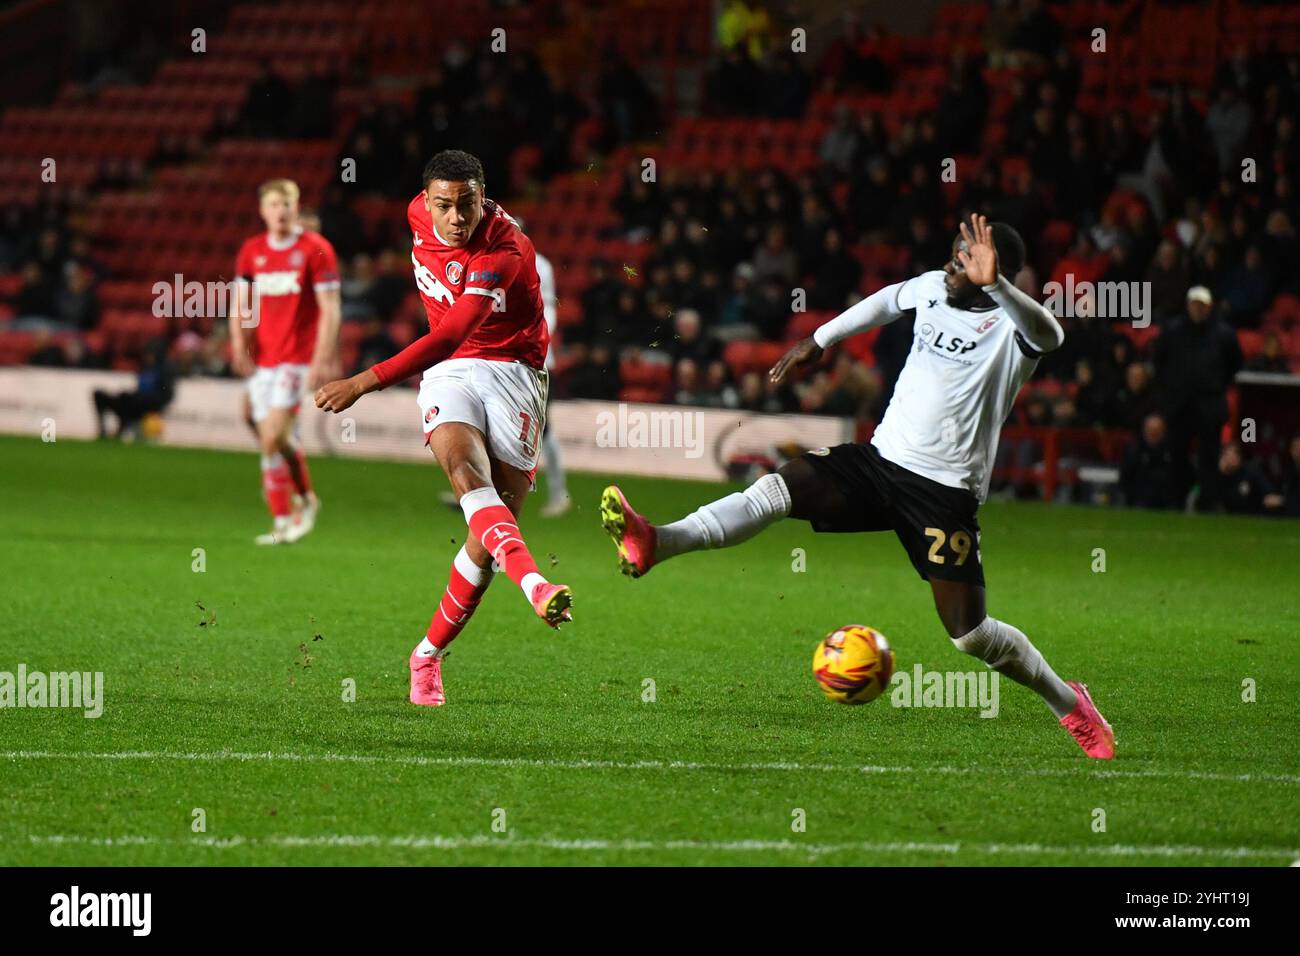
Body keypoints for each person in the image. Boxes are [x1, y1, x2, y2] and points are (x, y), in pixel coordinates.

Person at [601, 215, 1115, 759]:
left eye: (965, 259)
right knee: (779, 487)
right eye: (955, 252)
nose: (950, 264)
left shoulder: (1012, 329)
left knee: (970, 634)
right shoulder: (932, 289)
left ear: (994, 271)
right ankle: (658, 540)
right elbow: (888, 299)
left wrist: (996, 286)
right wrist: (819, 339)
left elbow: (1051, 335)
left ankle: (1068, 702)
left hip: (942, 493)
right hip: (879, 461)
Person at [314, 150, 572, 708]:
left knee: (485, 540)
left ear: (486, 197)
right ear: (425, 200)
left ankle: (426, 654)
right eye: (445, 205)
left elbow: (451, 333)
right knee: (463, 474)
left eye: (468, 204)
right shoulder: (416, 212)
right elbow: (448, 353)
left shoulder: (502, 250)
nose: (456, 217)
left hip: (514, 375)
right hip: (451, 374)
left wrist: (363, 381)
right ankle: (537, 586)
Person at [229, 179, 341, 545]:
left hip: (297, 358)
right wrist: (238, 342)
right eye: (274, 204)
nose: (281, 211)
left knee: (271, 438)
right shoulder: (252, 251)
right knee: (268, 433)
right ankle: (306, 498)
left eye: (287, 204)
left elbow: (330, 309)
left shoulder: (315, 249)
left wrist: (322, 358)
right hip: (264, 358)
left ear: (296, 207)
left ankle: (283, 519)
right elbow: (242, 305)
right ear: (263, 210)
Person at [1152, 285, 1243, 510]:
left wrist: (1213, 385)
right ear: (1187, 305)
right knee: (1176, 454)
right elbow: (1159, 362)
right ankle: (1176, 500)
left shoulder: (1223, 334)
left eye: (1202, 305)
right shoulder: (1172, 331)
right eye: (1194, 304)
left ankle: (1207, 502)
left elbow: (1234, 364)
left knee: (1209, 458)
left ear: (1209, 307)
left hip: (1209, 405)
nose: (1198, 309)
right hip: (1179, 404)